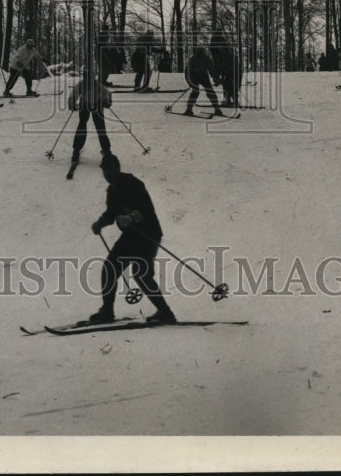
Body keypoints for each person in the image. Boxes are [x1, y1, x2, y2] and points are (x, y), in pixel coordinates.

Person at [87, 153, 176, 325]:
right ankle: (107, 311)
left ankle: (165, 313)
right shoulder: (112, 190)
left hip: (148, 233)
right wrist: (100, 223)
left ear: (117, 168)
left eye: (110, 170)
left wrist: (132, 217)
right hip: (131, 235)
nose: (107, 174)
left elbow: (146, 209)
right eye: (104, 171)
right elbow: (111, 214)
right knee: (110, 268)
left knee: (141, 273)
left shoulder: (132, 183)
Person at [66, 72, 113, 180]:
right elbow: (74, 94)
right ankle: (76, 150)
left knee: (100, 127)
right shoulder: (82, 84)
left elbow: (107, 94)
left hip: (97, 105)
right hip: (85, 104)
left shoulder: (97, 85)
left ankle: (106, 151)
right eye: (86, 78)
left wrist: (107, 102)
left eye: (90, 78)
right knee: (82, 125)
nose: (88, 80)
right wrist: (72, 102)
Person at [184, 45, 223, 117]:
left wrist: (216, 79)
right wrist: (190, 82)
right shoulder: (193, 60)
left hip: (204, 77)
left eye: (202, 52)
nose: (201, 54)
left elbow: (212, 70)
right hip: (194, 77)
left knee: (210, 91)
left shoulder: (206, 59)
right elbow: (187, 72)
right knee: (195, 92)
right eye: (200, 53)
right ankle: (189, 109)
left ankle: (217, 109)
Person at [209, 26, 239, 107]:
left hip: (228, 69)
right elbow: (212, 49)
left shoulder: (223, 44)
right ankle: (228, 99)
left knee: (230, 84)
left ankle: (233, 99)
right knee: (227, 84)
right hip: (222, 64)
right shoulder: (217, 41)